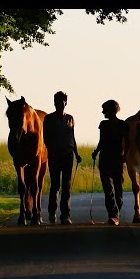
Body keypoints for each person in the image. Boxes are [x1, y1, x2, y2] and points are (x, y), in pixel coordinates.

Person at [43, 91, 82, 225]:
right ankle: (52, 212)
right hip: (54, 155)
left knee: (67, 185)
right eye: (59, 101)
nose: (61, 104)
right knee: (55, 185)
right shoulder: (48, 119)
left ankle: (65, 215)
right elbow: (46, 138)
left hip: (68, 155)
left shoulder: (70, 118)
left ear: (66, 102)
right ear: (54, 103)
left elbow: (72, 137)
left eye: (63, 101)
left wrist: (77, 154)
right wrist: (51, 152)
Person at [91, 100, 129, 226]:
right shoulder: (105, 124)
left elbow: (127, 142)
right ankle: (113, 215)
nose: (102, 112)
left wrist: (125, 156)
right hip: (108, 159)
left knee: (116, 188)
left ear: (110, 111)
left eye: (104, 110)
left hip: (115, 159)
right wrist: (96, 152)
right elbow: (101, 141)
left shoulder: (121, 125)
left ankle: (114, 214)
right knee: (110, 189)